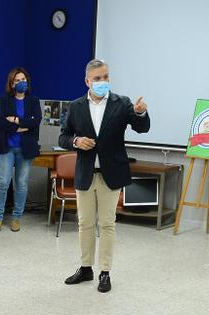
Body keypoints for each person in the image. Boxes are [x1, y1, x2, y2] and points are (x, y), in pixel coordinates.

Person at [58, 58, 150, 293]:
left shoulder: (122, 103)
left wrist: (141, 114)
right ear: (87, 81)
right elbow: (63, 137)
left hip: (112, 173)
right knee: (85, 223)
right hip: (86, 173)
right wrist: (77, 141)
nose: (102, 82)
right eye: (97, 78)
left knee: (107, 223)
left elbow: (142, 128)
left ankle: (105, 272)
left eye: (106, 77)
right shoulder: (76, 106)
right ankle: (85, 267)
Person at [0, 67, 42, 233]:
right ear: (12, 84)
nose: (22, 82)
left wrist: (15, 120)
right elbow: (0, 122)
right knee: (2, 183)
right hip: (6, 147)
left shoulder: (33, 101)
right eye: (17, 80)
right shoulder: (4, 100)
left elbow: (35, 122)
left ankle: (16, 218)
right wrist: (19, 127)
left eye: (23, 79)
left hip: (25, 148)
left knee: (21, 184)